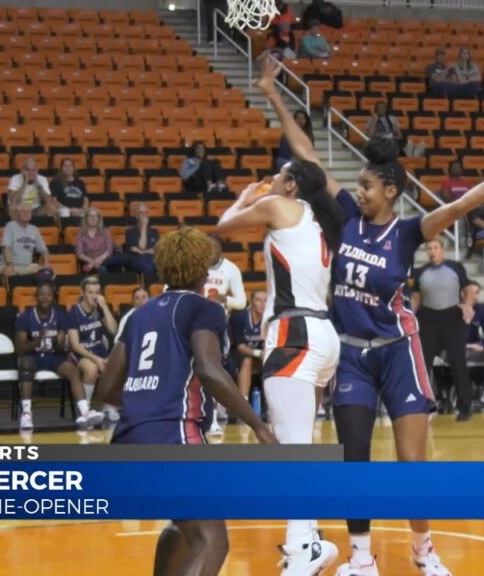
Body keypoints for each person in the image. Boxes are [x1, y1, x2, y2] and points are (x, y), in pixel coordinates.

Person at [252, 53, 484, 576]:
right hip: (349, 353)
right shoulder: (344, 216)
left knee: (412, 462)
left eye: (368, 186)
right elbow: (305, 156)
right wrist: (273, 94)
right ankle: (362, 559)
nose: (360, 191)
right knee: (354, 463)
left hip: (398, 351)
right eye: (360, 186)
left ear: (390, 191)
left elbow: (459, 210)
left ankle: (423, 549)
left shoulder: (409, 231)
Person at [217, 66, 346, 572]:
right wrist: (272, 93)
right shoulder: (324, 217)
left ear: (290, 184)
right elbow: (312, 158)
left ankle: (300, 551)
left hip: (292, 333)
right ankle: (312, 537)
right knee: (300, 440)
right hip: (323, 335)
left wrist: (245, 198)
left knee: (291, 447)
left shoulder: (279, 205)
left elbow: (224, 228)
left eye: (280, 173)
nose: (274, 175)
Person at [94, 227, 277, 576]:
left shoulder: (138, 315)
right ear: (200, 269)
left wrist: (146, 396)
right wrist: (256, 423)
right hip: (174, 434)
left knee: (182, 526)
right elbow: (208, 369)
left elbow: (105, 389)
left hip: (126, 441)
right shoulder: (203, 308)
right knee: (212, 539)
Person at [14, 283, 101, 430]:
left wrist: (60, 341)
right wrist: (38, 340)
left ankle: (84, 411)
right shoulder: (26, 317)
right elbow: (20, 349)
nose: (45, 298)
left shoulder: (60, 315)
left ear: (53, 297)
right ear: (35, 297)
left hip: (53, 357)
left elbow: (61, 349)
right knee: (25, 364)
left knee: (72, 370)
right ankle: (27, 413)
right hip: (33, 357)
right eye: (42, 294)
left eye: (48, 295)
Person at [410, 239, 475, 421]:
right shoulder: (421, 272)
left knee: (457, 361)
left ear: (443, 250)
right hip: (428, 318)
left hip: (452, 317)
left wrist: (467, 306)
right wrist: (410, 317)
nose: (432, 251)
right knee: (423, 363)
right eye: (429, 248)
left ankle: (465, 407)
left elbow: (469, 290)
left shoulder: (455, 267)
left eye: (435, 247)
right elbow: (416, 297)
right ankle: (421, 404)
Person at [67, 277, 121, 423]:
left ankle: (109, 405)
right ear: (83, 292)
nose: (94, 296)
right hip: (80, 354)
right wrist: (95, 359)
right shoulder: (74, 312)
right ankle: (85, 408)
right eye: (90, 292)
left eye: (97, 292)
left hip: (100, 350)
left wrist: (105, 308)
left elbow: (113, 329)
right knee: (91, 369)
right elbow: (75, 345)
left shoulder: (100, 309)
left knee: (116, 365)